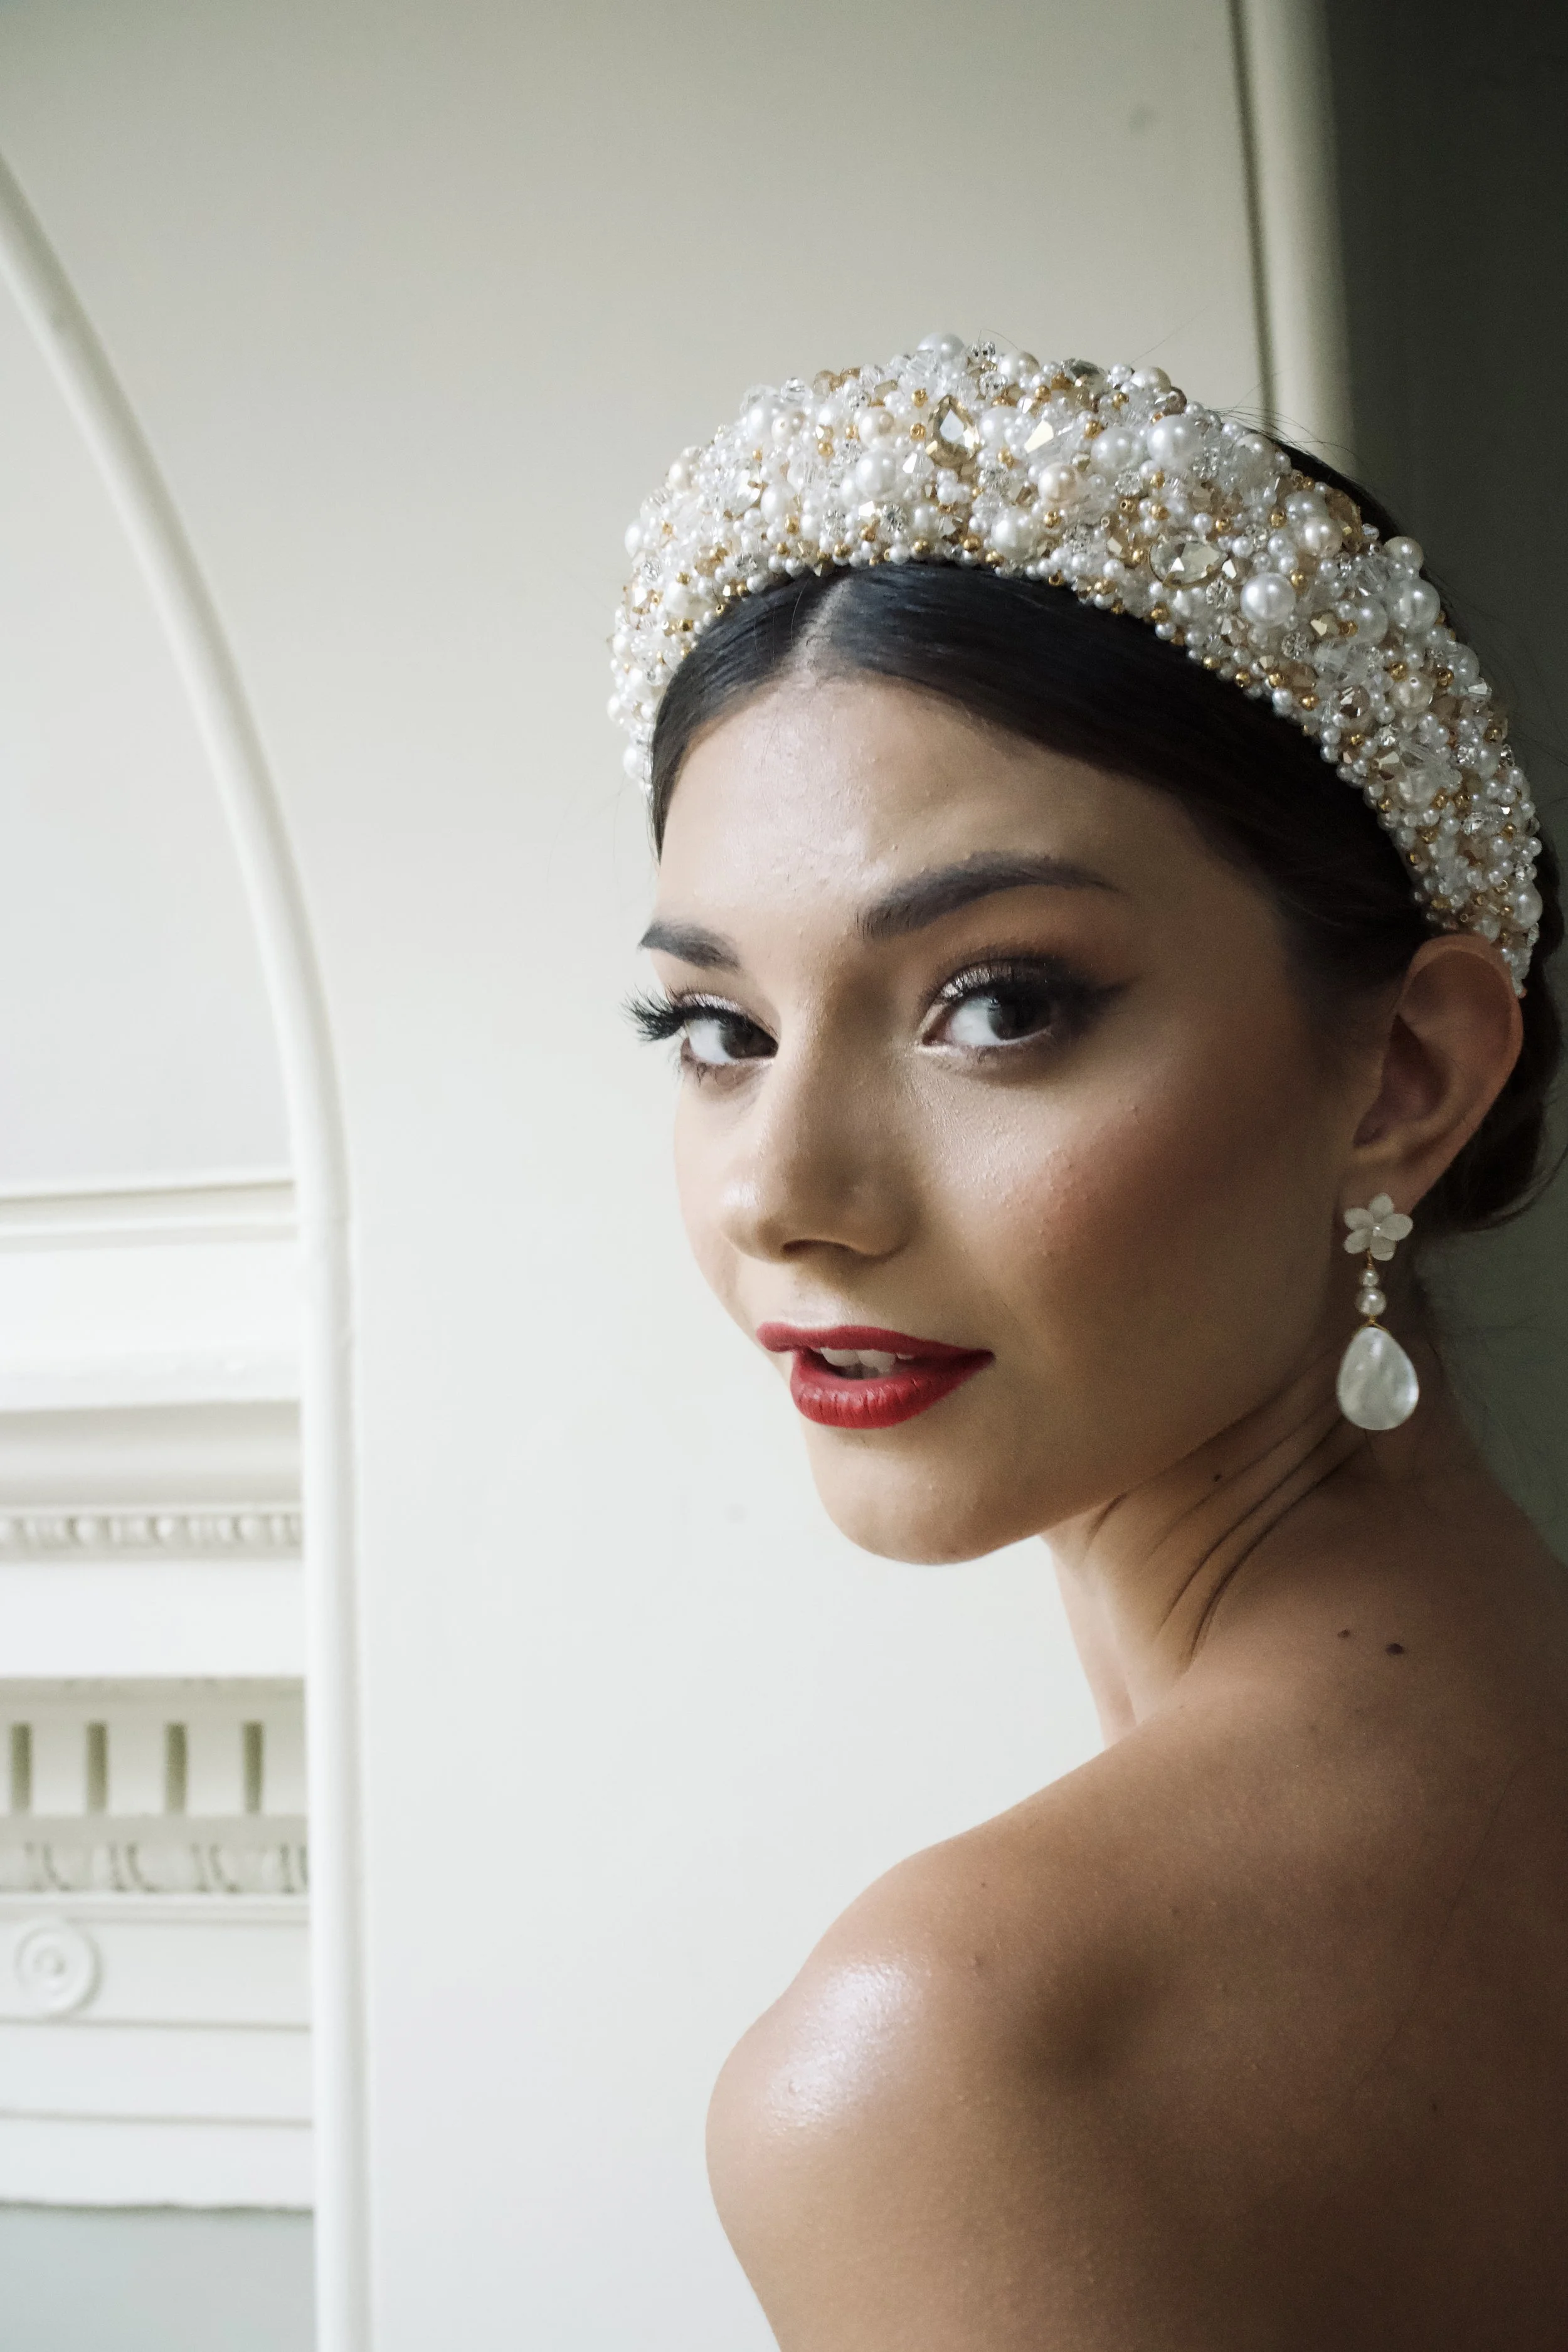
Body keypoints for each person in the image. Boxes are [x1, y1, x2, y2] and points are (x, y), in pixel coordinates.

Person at [615, 336, 1568, 2349]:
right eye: (716, 1028)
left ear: (1403, 1070)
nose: (786, 1189)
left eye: (999, 1003)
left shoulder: (958, 2055)